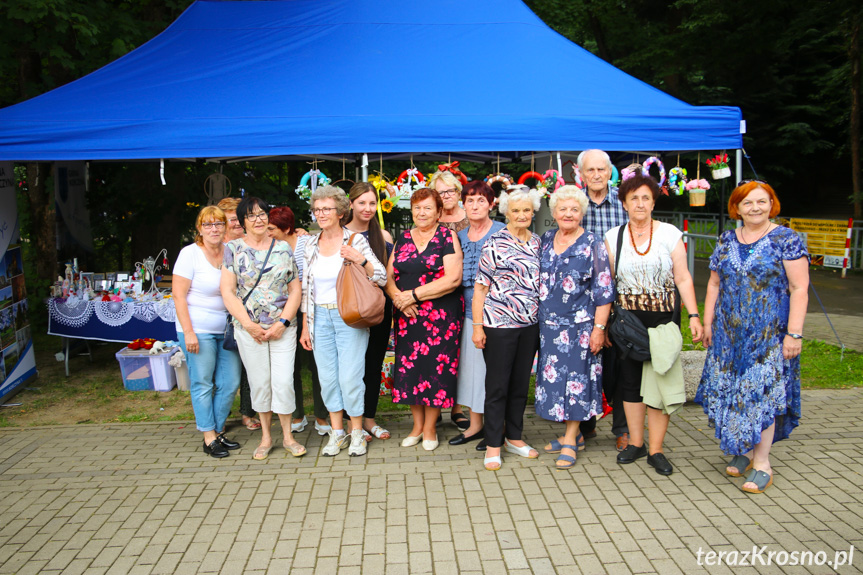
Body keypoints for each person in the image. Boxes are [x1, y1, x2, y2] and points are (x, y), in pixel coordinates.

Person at [696, 180, 808, 494]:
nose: (755, 208)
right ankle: (744, 451)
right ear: (737, 208)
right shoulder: (726, 239)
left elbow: (799, 288)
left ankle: (762, 463)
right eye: (748, 203)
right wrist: (707, 323)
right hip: (727, 335)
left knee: (762, 397)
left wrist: (794, 334)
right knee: (733, 392)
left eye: (761, 201)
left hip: (768, 338)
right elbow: (714, 284)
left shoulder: (786, 239)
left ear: (772, 203)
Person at [604, 173, 703, 476]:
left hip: (662, 321)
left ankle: (656, 449)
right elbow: (608, 285)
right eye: (634, 198)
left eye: (646, 197)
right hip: (628, 325)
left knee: (660, 387)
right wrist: (604, 325)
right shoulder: (613, 237)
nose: (640, 203)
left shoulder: (670, 233)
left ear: (653, 201)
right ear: (624, 203)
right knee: (630, 386)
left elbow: (683, 277)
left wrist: (695, 315)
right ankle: (636, 443)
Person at [299, 185, 386, 458]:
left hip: (348, 315)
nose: (321, 214)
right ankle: (337, 434)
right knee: (327, 378)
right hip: (318, 317)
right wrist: (305, 325)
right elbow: (305, 287)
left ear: (340, 211)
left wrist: (361, 260)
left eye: (327, 209)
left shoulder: (355, 241)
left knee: (350, 377)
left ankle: (357, 432)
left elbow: (381, 276)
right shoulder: (310, 243)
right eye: (317, 209)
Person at [535, 186, 614, 469]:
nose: (568, 214)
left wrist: (599, 328)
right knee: (556, 384)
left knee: (576, 384)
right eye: (563, 209)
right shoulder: (544, 240)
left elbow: (604, 289)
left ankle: (570, 439)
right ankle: (576, 434)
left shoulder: (593, 243)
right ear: (554, 212)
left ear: (582, 213)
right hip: (549, 328)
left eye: (574, 209)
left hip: (581, 328)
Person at [221, 196, 306, 460]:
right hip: (249, 331)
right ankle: (266, 438)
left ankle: (289, 437)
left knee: (283, 382)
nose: (258, 220)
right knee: (260, 384)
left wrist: (283, 322)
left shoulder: (282, 248)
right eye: (251, 215)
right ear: (242, 222)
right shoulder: (233, 249)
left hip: (282, 328)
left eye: (262, 214)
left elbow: (295, 288)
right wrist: (248, 324)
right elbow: (227, 291)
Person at [387, 188, 463, 451]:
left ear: (439, 211)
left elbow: (453, 279)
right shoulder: (403, 238)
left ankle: (431, 428)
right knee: (410, 370)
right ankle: (417, 425)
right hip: (408, 317)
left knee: (434, 371)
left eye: (428, 208)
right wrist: (399, 299)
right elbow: (389, 278)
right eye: (417, 208)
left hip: (440, 317)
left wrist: (413, 296)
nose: (422, 213)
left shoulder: (447, 236)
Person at [473, 186, 543, 471]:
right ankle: (492, 444)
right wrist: (478, 327)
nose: (522, 215)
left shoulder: (538, 242)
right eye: (516, 210)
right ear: (506, 213)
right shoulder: (495, 243)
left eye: (527, 210)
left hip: (529, 325)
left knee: (518, 386)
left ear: (533, 211)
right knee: (497, 386)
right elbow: (480, 289)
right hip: (498, 325)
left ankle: (514, 437)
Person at [173, 206, 243, 458]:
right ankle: (209, 436)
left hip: (226, 329)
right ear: (199, 229)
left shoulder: (230, 252)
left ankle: (217, 429)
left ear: (225, 227)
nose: (214, 229)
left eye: (218, 224)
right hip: (197, 329)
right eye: (208, 225)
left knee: (230, 382)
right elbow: (178, 297)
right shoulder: (189, 254)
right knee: (203, 383)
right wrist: (188, 332)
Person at [578, 149, 630, 450]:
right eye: (591, 170)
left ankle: (622, 427)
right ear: (582, 174)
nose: (596, 175)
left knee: (621, 364)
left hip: (621, 296)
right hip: (583, 298)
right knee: (584, 361)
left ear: (609, 172)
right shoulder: (574, 203)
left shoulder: (624, 203)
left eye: (602, 170)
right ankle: (585, 424)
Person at [266, 207, 330, 437]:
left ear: (286, 228)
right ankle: (297, 414)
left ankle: (322, 416)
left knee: (316, 364)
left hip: (310, 312)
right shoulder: (270, 246)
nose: (267, 231)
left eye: (271, 228)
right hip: (281, 315)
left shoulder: (307, 243)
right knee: (289, 367)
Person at [450, 181, 504, 448]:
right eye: (469, 201)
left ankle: (498, 428)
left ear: (491, 204)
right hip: (466, 313)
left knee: (493, 373)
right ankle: (475, 426)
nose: (475, 205)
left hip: (497, 314)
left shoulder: (502, 233)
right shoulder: (458, 237)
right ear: (463, 205)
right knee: (471, 373)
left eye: (481, 200)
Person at [344, 182, 395, 441]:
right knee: (350, 367)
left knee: (373, 365)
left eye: (372, 203)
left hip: (378, 309)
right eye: (362, 203)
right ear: (351, 203)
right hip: (349, 308)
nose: (367, 208)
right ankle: (350, 422)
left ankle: (369, 419)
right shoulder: (340, 235)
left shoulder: (383, 237)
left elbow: (389, 277)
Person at [429, 165, 469, 430]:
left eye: (451, 190)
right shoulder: (430, 218)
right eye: (441, 192)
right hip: (436, 292)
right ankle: (434, 404)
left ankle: (457, 406)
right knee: (436, 352)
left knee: (461, 352)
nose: (447, 195)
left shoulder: (471, 215)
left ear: (458, 191)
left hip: (466, 290)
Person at [217, 197, 260, 432]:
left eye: (238, 218)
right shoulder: (217, 246)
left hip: (248, 314)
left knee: (246, 368)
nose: (236, 223)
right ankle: (218, 416)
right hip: (220, 315)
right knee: (227, 372)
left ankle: (247, 412)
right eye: (231, 219)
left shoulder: (248, 242)